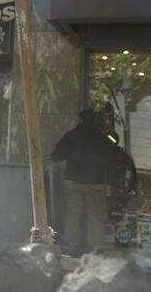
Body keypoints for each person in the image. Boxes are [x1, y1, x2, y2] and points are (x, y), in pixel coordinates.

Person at [50, 108, 116, 256]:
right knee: (96, 218)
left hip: (74, 183)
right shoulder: (101, 138)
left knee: (72, 216)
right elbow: (111, 159)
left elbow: (56, 156)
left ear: (80, 120)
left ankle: (70, 247)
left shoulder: (72, 136)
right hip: (95, 183)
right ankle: (97, 249)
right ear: (94, 120)